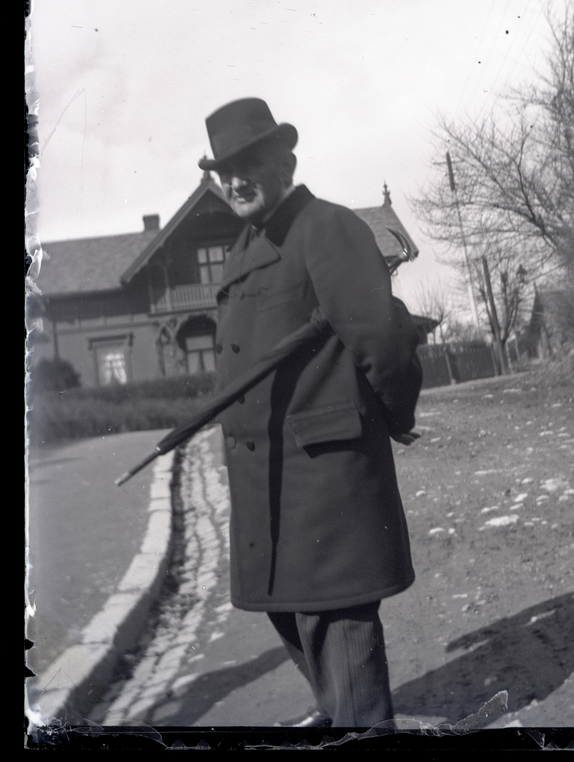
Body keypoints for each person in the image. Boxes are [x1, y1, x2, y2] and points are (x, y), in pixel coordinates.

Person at [198, 97, 422, 728]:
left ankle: (358, 722)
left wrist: (395, 416)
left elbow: (381, 340)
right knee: (293, 616)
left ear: (284, 161)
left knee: (335, 623)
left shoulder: (325, 228)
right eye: (224, 171)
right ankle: (341, 712)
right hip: (265, 488)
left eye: (250, 163)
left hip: (326, 483)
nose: (236, 180)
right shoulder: (244, 249)